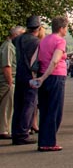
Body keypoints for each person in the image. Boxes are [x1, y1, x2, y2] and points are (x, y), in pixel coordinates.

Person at [30, 16, 68, 152]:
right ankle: (49, 143)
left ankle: (43, 142)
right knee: (55, 111)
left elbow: (33, 59)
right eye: (66, 28)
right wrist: (45, 76)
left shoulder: (43, 40)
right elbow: (55, 60)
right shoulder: (60, 41)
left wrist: (37, 77)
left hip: (42, 78)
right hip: (55, 77)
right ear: (62, 28)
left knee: (45, 110)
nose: (66, 30)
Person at [11, 16, 42, 145]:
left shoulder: (17, 39)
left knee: (18, 105)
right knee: (29, 104)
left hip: (19, 74)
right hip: (31, 75)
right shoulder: (37, 42)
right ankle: (23, 134)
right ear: (38, 28)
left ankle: (15, 133)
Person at [0, 26, 25, 140]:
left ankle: (6, 129)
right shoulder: (8, 47)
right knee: (6, 106)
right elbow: (7, 66)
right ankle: (4, 130)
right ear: (16, 35)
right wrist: (10, 82)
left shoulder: (9, 46)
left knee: (8, 106)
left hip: (9, 80)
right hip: (7, 81)